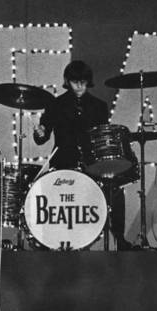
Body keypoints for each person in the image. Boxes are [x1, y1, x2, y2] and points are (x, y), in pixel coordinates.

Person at [33, 60, 133, 250]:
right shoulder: (56, 104)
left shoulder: (99, 106)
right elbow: (42, 137)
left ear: (88, 81)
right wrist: (40, 133)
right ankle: (50, 240)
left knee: (116, 189)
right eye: (75, 81)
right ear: (67, 81)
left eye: (83, 81)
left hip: (91, 164)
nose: (79, 86)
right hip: (63, 163)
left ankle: (119, 239)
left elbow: (102, 137)